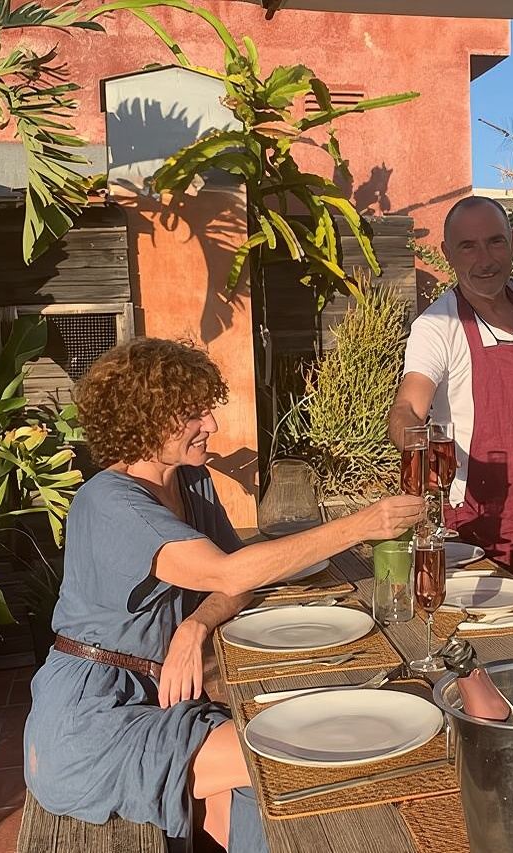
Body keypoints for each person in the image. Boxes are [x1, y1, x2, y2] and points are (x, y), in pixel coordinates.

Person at [23, 339, 425, 851]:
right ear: (146, 418)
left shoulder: (191, 482)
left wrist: (195, 627)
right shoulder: (108, 502)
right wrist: (361, 525)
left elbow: (238, 582)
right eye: (193, 413)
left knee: (256, 789)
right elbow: (231, 572)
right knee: (281, 753)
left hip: (159, 702)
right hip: (90, 720)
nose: (210, 424)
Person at [388, 195, 513, 604]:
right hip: (485, 521)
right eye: (468, 246)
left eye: (495, 242)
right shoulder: (436, 326)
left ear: (512, 241)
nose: (485, 259)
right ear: (447, 254)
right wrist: (417, 445)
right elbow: (407, 408)